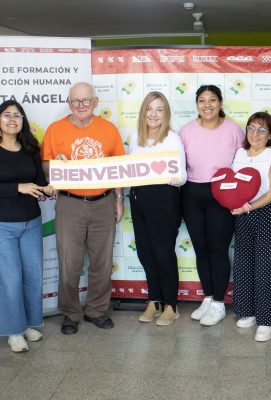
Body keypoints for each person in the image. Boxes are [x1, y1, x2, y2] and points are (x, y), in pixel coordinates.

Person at [41, 82, 125, 335]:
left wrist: (119, 199)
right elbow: (45, 166)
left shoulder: (109, 129)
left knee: (102, 262)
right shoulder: (55, 130)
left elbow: (119, 166)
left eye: (85, 101)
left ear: (95, 102)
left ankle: (97, 310)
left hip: (103, 202)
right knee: (70, 263)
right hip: (69, 203)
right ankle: (70, 312)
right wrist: (56, 165)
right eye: (75, 101)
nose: (81, 106)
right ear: (69, 103)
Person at [180, 85, 243, 326]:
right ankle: (207, 297)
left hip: (222, 192)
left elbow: (243, 164)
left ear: (220, 103)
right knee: (201, 248)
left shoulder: (234, 131)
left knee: (218, 248)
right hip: (192, 192)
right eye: (202, 100)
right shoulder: (185, 131)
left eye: (212, 100)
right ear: (197, 105)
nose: (207, 105)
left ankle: (219, 302)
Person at [128, 91, 187, 326]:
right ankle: (154, 300)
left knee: (163, 253)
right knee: (145, 252)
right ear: (143, 112)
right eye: (149, 109)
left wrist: (174, 178)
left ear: (166, 114)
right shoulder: (135, 137)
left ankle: (171, 305)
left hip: (163, 199)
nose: (153, 114)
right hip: (139, 197)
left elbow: (182, 174)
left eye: (159, 109)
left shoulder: (172, 138)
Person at [0, 100, 53, 352]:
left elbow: (40, 181)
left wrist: (47, 188)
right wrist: (17, 187)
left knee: (34, 278)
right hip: (3, 226)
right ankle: (14, 330)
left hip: (31, 222)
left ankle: (31, 324)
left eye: (17, 115)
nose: (12, 119)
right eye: (7, 115)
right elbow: (20, 186)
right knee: (10, 281)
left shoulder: (31, 148)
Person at [231, 112, 271, 341]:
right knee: (243, 263)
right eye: (251, 128)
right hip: (242, 215)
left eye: (261, 130)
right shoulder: (240, 153)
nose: (255, 134)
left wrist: (249, 207)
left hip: (267, 214)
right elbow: (231, 184)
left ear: (270, 134)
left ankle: (265, 320)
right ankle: (248, 311)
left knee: (265, 267)